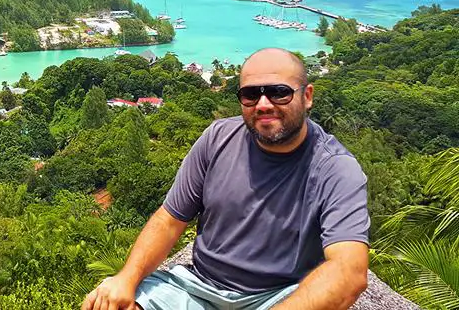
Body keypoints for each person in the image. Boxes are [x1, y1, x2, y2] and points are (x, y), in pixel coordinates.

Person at [82, 48, 370, 310]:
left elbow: (348, 271)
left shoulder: (335, 169)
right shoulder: (218, 138)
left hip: (279, 296)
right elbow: (169, 220)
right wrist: (126, 279)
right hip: (199, 288)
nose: (263, 104)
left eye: (279, 92)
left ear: (307, 96)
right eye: (250, 94)